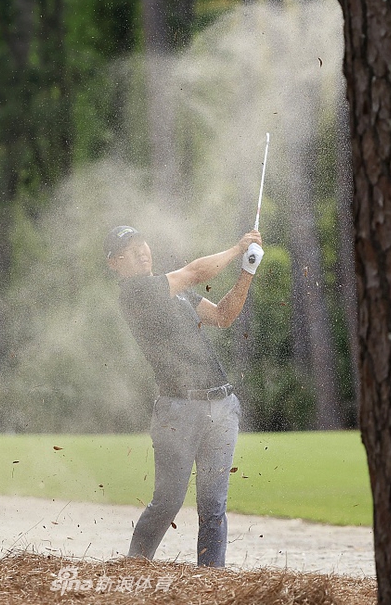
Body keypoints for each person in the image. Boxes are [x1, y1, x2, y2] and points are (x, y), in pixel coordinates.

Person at [104, 225, 264, 567]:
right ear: (115, 263)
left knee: (214, 507)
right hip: (178, 411)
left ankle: (211, 582)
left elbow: (222, 316)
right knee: (168, 501)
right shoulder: (136, 293)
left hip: (222, 405)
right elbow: (194, 272)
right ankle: (133, 569)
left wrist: (247, 271)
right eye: (129, 251)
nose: (141, 251)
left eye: (142, 242)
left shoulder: (175, 294)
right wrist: (238, 249)